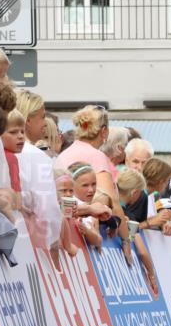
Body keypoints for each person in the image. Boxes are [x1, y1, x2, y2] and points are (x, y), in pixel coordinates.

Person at [54, 105, 131, 259]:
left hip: (66, 226)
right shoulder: (96, 156)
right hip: (82, 232)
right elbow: (112, 201)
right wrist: (126, 240)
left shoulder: (64, 153)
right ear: (104, 131)